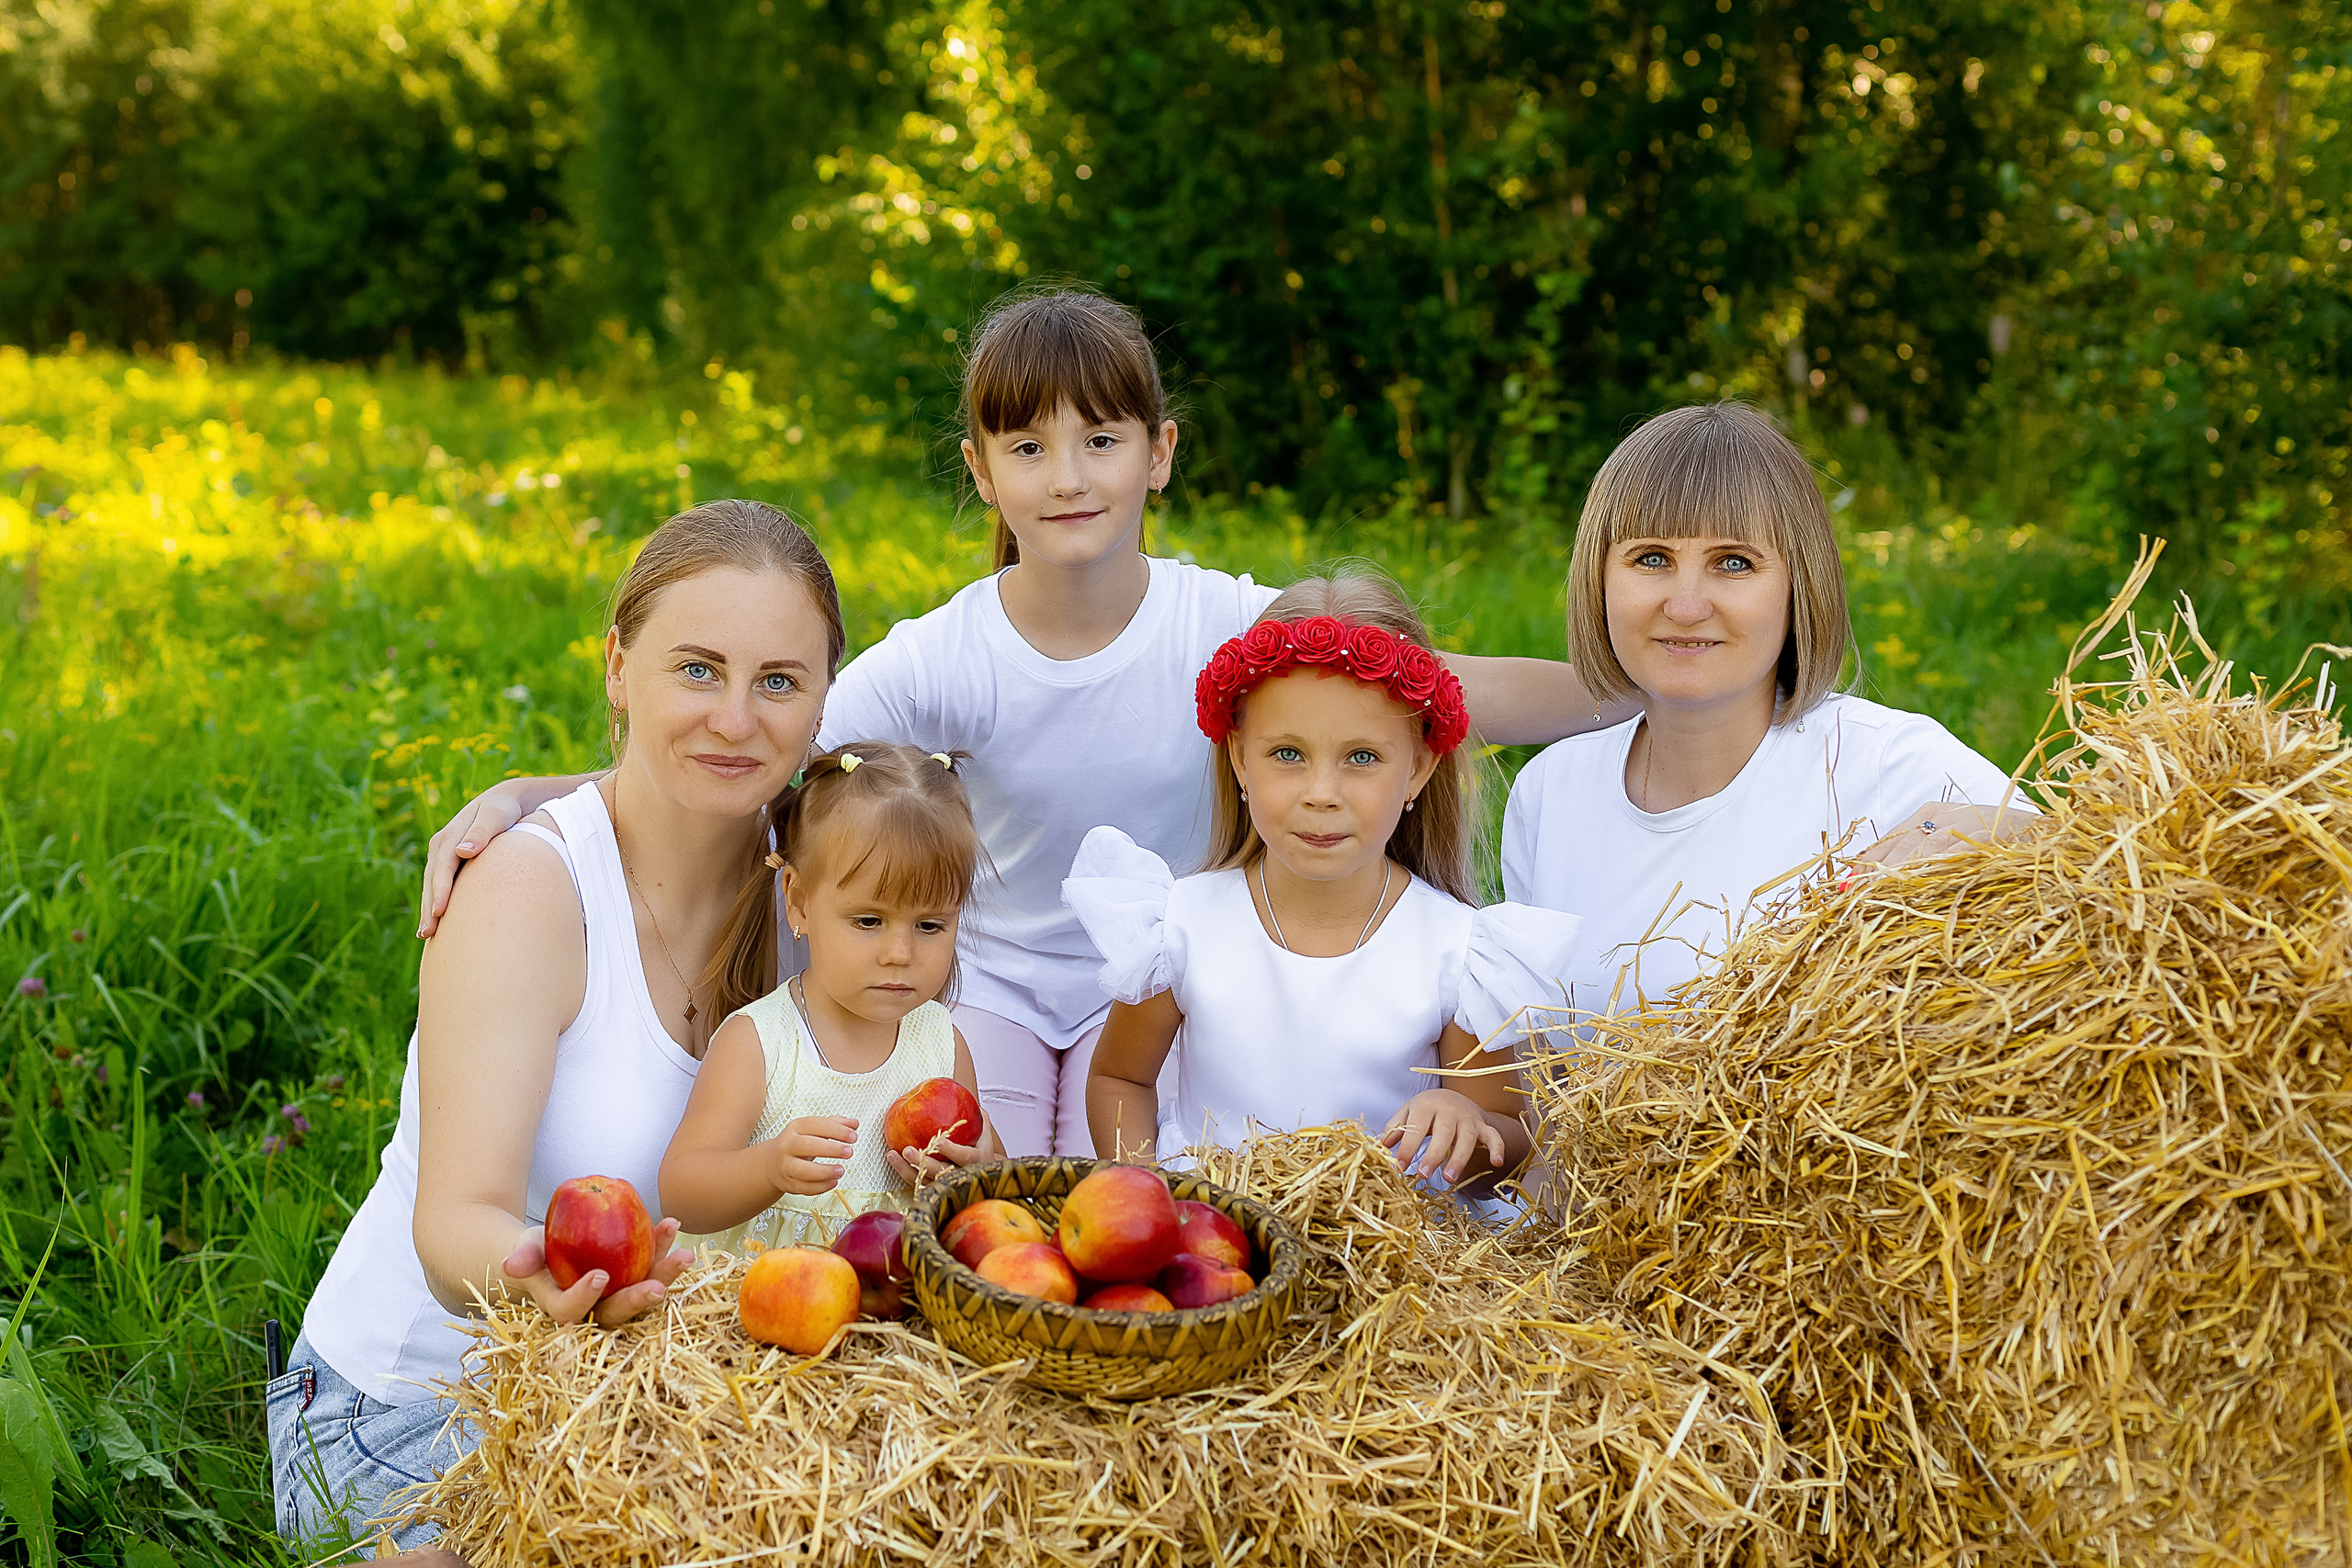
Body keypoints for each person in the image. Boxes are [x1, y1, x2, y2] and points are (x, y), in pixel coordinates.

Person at [413, 287, 1633, 1158]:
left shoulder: (1219, 621)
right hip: (993, 974)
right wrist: (547, 793)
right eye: (1029, 444)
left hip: (1157, 968)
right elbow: (765, 743)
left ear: (1157, 455)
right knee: (978, 1178)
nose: (1068, 475)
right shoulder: (960, 648)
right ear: (982, 469)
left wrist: (1641, 681)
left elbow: (1438, 683)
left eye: (1101, 440)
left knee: (1118, 1179)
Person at [268, 500, 844, 1553]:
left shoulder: (822, 898)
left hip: (665, 1398)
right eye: (696, 669)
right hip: (422, 1402)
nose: (735, 718)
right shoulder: (531, 891)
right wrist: (554, 1270)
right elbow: (453, 1228)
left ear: (821, 702)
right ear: (618, 666)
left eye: (778, 682)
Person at [1501, 401, 2036, 1017]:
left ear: (1798, 586)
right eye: (1652, 558)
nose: (1686, 604)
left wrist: (2003, 832)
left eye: (1734, 563)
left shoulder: (1888, 764)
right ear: (1598, 579)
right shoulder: (1549, 791)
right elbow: (1531, 1080)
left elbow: (2111, 876)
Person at [1068, 574, 1581, 1190]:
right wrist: (1145, 1186)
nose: (1321, 794)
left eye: (1361, 757)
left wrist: (1465, 1118)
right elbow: (1121, 1078)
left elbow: (1507, 1143)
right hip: (1226, 1245)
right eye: (1287, 753)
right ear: (1239, 758)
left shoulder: (1457, 954)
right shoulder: (1180, 925)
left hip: (1390, 1257)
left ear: (1418, 767)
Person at [660, 742, 1003, 1248]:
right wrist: (768, 1168)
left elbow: (995, 1176)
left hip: (893, 1308)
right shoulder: (762, 1043)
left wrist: (974, 1172)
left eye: (931, 924)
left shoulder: (940, 1044)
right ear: (798, 901)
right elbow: (681, 1194)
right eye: (869, 920)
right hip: (763, 1303)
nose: (900, 952)